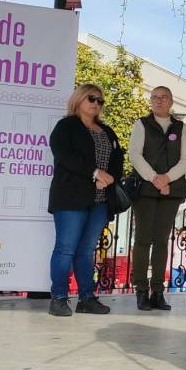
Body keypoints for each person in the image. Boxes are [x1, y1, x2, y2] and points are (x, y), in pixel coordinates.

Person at [46, 83, 123, 317]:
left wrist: (108, 178)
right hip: (70, 197)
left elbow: (118, 159)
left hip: (100, 200)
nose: (96, 104)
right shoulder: (66, 126)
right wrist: (94, 173)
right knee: (66, 249)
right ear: (78, 99)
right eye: (91, 98)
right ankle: (59, 298)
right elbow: (64, 155)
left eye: (100, 100)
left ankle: (86, 298)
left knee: (87, 251)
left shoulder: (107, 131)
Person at [128, 86, 186, 311]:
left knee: (162, 241)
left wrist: (167, 179)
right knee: (143, 239)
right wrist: (155, 178)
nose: (159, 101)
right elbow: (135, 155)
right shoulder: (142, 124)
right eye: (155, 97)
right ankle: (141, 290)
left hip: (171, 190)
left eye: (164, 97)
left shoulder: (180, 127)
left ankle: (157, 291)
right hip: (145, 189)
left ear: (171, 101)